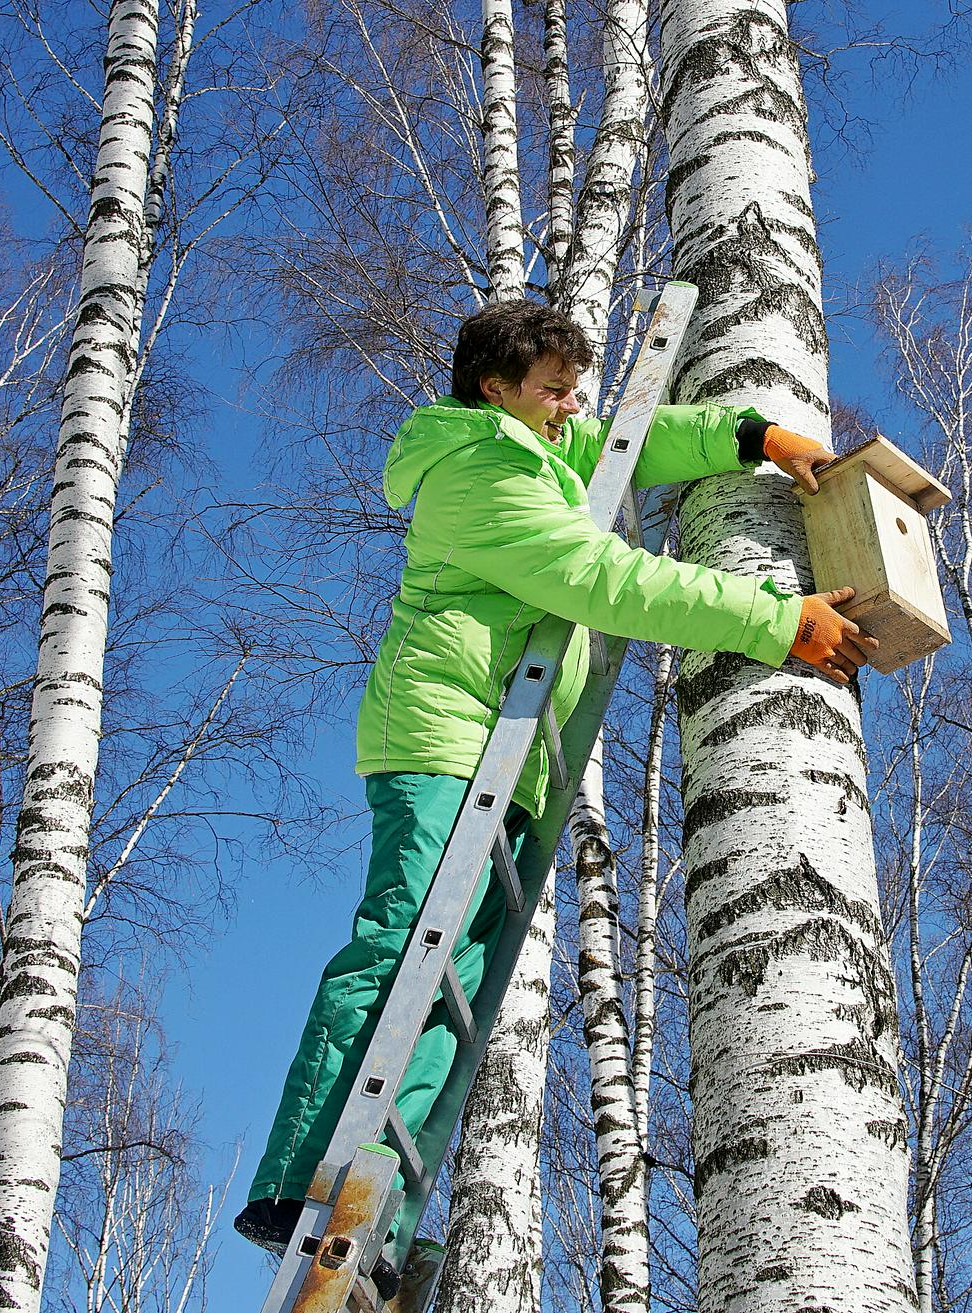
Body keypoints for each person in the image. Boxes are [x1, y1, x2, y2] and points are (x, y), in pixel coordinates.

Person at [233, 299, 875, 1266]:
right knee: (405, 944)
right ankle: (299, 1181)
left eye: (576, 386)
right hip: (443, 738)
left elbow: (626, 443)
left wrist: (748, 436)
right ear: (496, 387)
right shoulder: (481, 470)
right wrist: (770, 617)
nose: (571, 405)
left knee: (454, 977)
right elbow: (595, 574)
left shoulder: (535, 446)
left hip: (499, 753)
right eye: (553, 388)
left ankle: (372, 1203)